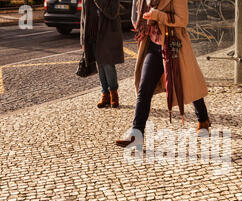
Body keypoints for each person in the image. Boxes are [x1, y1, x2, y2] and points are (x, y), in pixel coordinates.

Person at [115, 0, 210, 148]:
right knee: (144, 89)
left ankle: (203, 118)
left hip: (174, 46)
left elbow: (182, 19)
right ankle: (136, 135)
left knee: (188, 83)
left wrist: (158, 15)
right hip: (153, 46)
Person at [80, 0, 124, 108]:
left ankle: (114, 93)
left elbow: (112, 13)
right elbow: (83, 17)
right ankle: (105, 94)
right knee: (100, 64)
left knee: (108, 64)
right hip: (93, 34)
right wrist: (82, 39)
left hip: (108, 34)